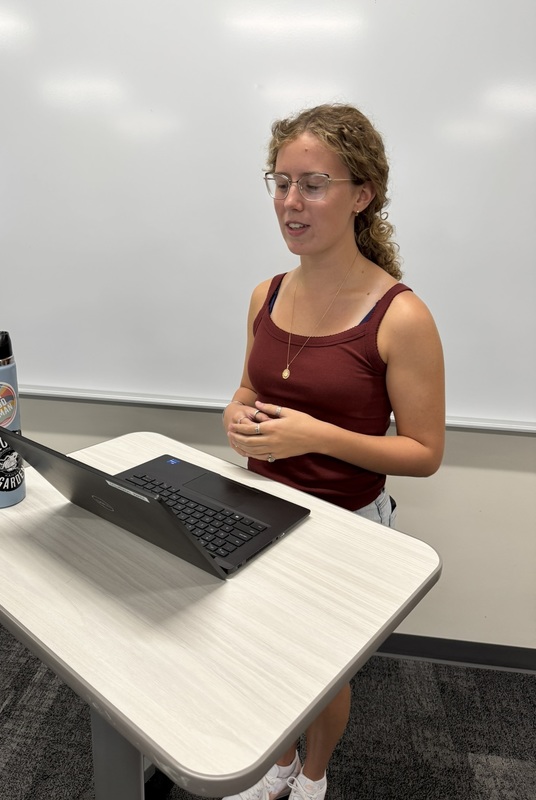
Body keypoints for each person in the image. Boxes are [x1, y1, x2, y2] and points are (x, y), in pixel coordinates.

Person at [222, 104, 445, 800]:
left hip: (346, 523)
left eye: (313, 183)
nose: (291, 202)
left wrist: (313, 436)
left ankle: (313, 781)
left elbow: (424, 451)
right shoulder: (266, 293)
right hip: (262, 508)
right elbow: (244, 389)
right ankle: (278, 767)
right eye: (280, 182)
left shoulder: (400, 315)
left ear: (361, 194)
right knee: (265, 656)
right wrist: (235, 415)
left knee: (319, 671)